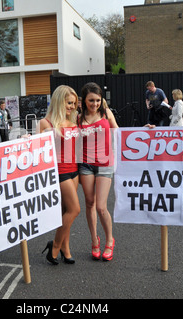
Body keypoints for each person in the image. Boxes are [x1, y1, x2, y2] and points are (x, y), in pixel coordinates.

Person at [39, 85, 80, 265]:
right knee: (74, 209)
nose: (71, 106)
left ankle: (66, 248)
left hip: (74, 169)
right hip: (59, 171)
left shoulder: (75, 119)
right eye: (68, 103)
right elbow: (36, 150)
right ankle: (55, 245)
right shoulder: (45, 123)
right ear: (58, 101)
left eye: (73, 103)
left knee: (66, 212)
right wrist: (27, 138)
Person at [78, 82, 119, 261]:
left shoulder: (106, 113)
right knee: (89, 203)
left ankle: (109, 240)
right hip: (85, 164)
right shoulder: (78, 118)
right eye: (91, 100)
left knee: (101, 207)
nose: (94, 104)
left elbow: (119, 132)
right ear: (84, 101)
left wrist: (146, 130)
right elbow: (59, 128)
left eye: (97, 100)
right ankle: (94, 240)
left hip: (105, 163)